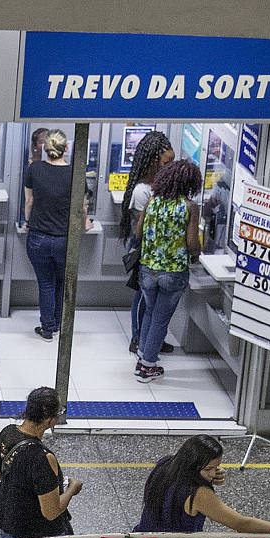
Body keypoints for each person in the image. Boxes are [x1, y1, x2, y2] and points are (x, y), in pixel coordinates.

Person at [138, 434, 270, 538]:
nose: (214, 473)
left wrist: (208, 476)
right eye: (208, 469)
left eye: (216, 468)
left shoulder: (165, 464)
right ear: (192, 465)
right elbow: (241, 523)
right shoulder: (199, 494)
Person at [0, 387, 83, 538]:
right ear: (51, 420)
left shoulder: (8, 432)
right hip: (39, 537)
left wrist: (20, 481)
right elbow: (51, 511)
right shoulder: (43, 458)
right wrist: (71, 489)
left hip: (8, 522)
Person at [134, 158, 204, 384]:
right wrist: (196, 252)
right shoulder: (190, 207)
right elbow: (192, 244)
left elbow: (139, 233)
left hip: (148, 269)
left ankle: (142, 358)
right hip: (173, 273)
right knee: (161, 319)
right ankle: (148, 367)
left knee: (150, 313)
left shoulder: (152, 202)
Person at [118, 130, 171, 355]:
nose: (170, 165)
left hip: (159, 250)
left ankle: (152, 338)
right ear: (153, 161)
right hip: (145, 250)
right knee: (142, 296)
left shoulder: (160, 186)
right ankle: (139, 337)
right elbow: (143, 230)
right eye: (167, 161)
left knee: (153, 300)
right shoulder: (142, 191)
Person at [20, 129, 75, 341]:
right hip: (64, 238)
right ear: (66, 148)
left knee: (46, 283)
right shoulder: (74, 172)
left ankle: (47, 328)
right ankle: (58, 323)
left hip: (38, 237)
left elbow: (29, 201)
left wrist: (28, 221)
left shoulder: (35, 168)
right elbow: (81, 206)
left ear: (45, 148)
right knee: (61, 281)